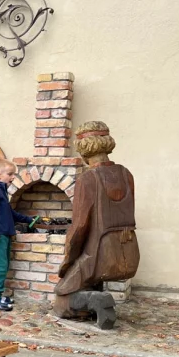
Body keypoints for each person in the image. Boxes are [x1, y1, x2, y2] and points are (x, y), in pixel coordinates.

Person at [53, 121, 139, 329]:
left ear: (83, 148)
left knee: (61, 300)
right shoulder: (126, 174)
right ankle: (97, 304)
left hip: (97, 253)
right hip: (127, 250)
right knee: (87, 278)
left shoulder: (88, 178)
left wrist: (68, 260)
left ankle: (97, 301)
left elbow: (80, 227)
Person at [0, 159, 38, 311]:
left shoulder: (2, 190)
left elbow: (8, 213)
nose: (13, 177)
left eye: (14, 174)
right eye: (10, 174)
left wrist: (29, 220)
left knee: (4, 265)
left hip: (6, 234)